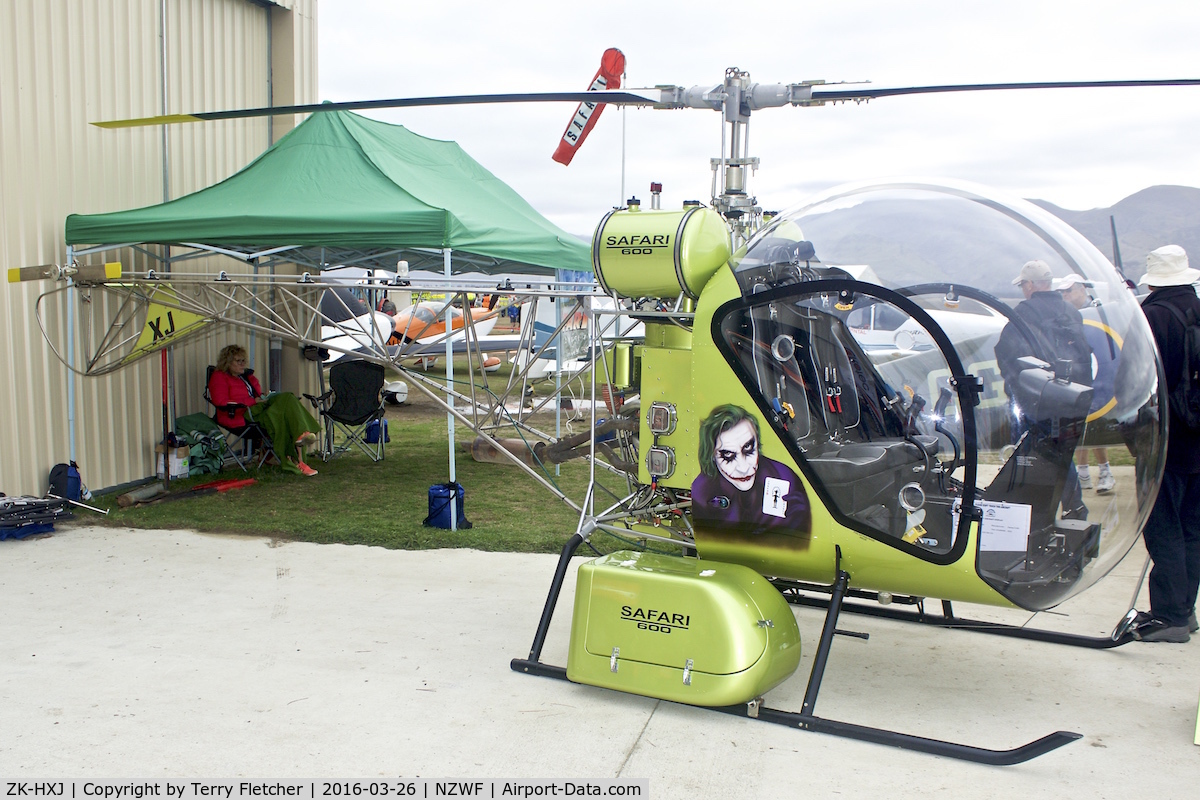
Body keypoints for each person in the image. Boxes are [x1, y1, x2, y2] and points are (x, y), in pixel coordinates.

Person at [1134, 245, 1200, 643]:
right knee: (1193, 528)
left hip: (1168, 439)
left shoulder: (1153, 316)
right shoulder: (1196, 307)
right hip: (1198, 440)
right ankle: (1185, 609)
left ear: (1153, 279)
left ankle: (1170, 615)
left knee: (1162, 526)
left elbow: (1140, 381)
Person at [993, 260, 1093, 519]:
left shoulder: (1023, 313)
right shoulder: (1072, 312)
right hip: (1069, 398)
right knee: (1061, 451)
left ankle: (1033, 511)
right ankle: (1074, 505)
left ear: (1029, 285)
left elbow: (1007, 355)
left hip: (1035, 402)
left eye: (1023, 285)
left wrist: (1016, 390)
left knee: (1033, 453)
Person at [691, 404, 811, 539]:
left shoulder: (785, 478)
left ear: (757, 444)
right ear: (711, 456)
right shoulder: (702, 492)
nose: (743, 468)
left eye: (748, 448)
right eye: (728, 456)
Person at [208, 344, 321, 477]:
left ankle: (300, 451)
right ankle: (300, 445)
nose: (243, 364)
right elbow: (220, 401)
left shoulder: (246, 377)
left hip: (259, 409)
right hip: (241, 415)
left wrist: (263, 396)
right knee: (286, 403)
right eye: (239, 361)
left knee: (287, 405)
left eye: (244, 361)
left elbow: (256, 395)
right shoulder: (219, 377)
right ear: (227, 362)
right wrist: (252, 401)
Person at [1054, 274, 1117, 494]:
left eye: (1069, 291)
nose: (1065, 296)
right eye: (1062, 292)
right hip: (1078, 374)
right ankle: (1083, 471)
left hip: (1098, 374)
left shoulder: (1098, 311)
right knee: (1076, 424)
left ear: (1082, 289)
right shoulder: (1066, 316)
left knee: (1096, 421)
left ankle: (1104, 470)